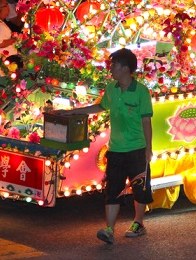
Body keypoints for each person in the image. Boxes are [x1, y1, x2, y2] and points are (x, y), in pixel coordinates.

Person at [54, 48, 153, 244]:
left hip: (136, 149)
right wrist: (75, 112)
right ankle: (109, 229)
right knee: (112, 189)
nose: (111, 69)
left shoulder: (141, 92)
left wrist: (148, 149)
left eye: (114, 65)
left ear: (126, 68)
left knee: (140, 189)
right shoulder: (111, 88)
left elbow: (146, 122)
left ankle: (138, 223)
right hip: (115, 149)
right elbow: (101, 106)